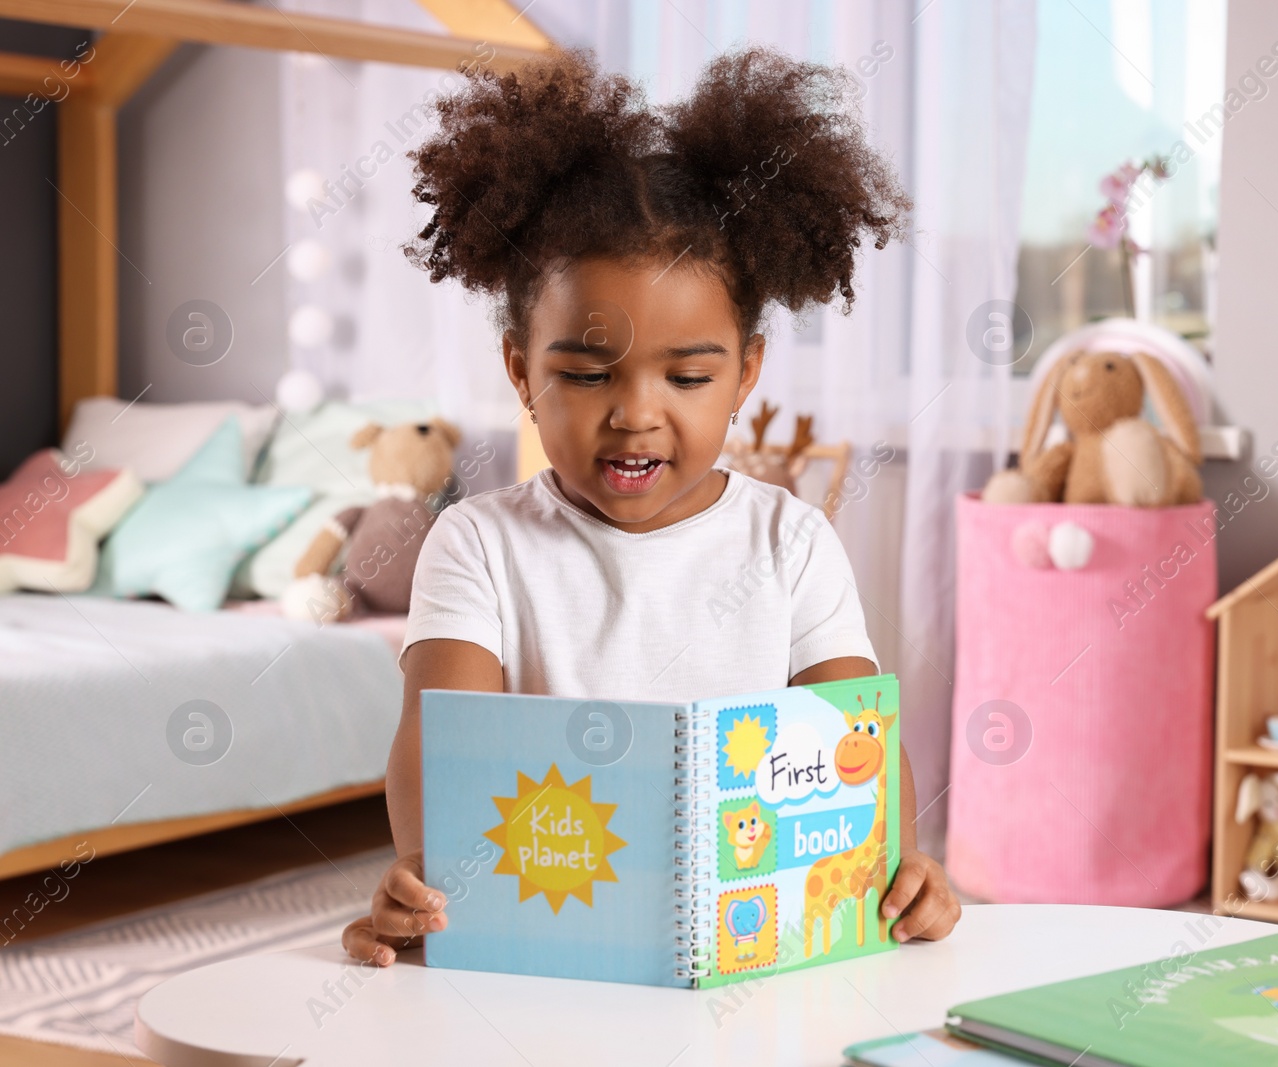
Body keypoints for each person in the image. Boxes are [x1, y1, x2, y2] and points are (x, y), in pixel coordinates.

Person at [342, 45, 961, 967]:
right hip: (545, 934)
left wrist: (901, 868)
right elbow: (446, 753)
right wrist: (423, 890)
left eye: (688, 374)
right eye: (588, 374)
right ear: (521, 369)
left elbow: (854, 747)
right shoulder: (478, 543)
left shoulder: (791, 541)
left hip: (753, 949)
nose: (636, 413)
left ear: (746, 371)